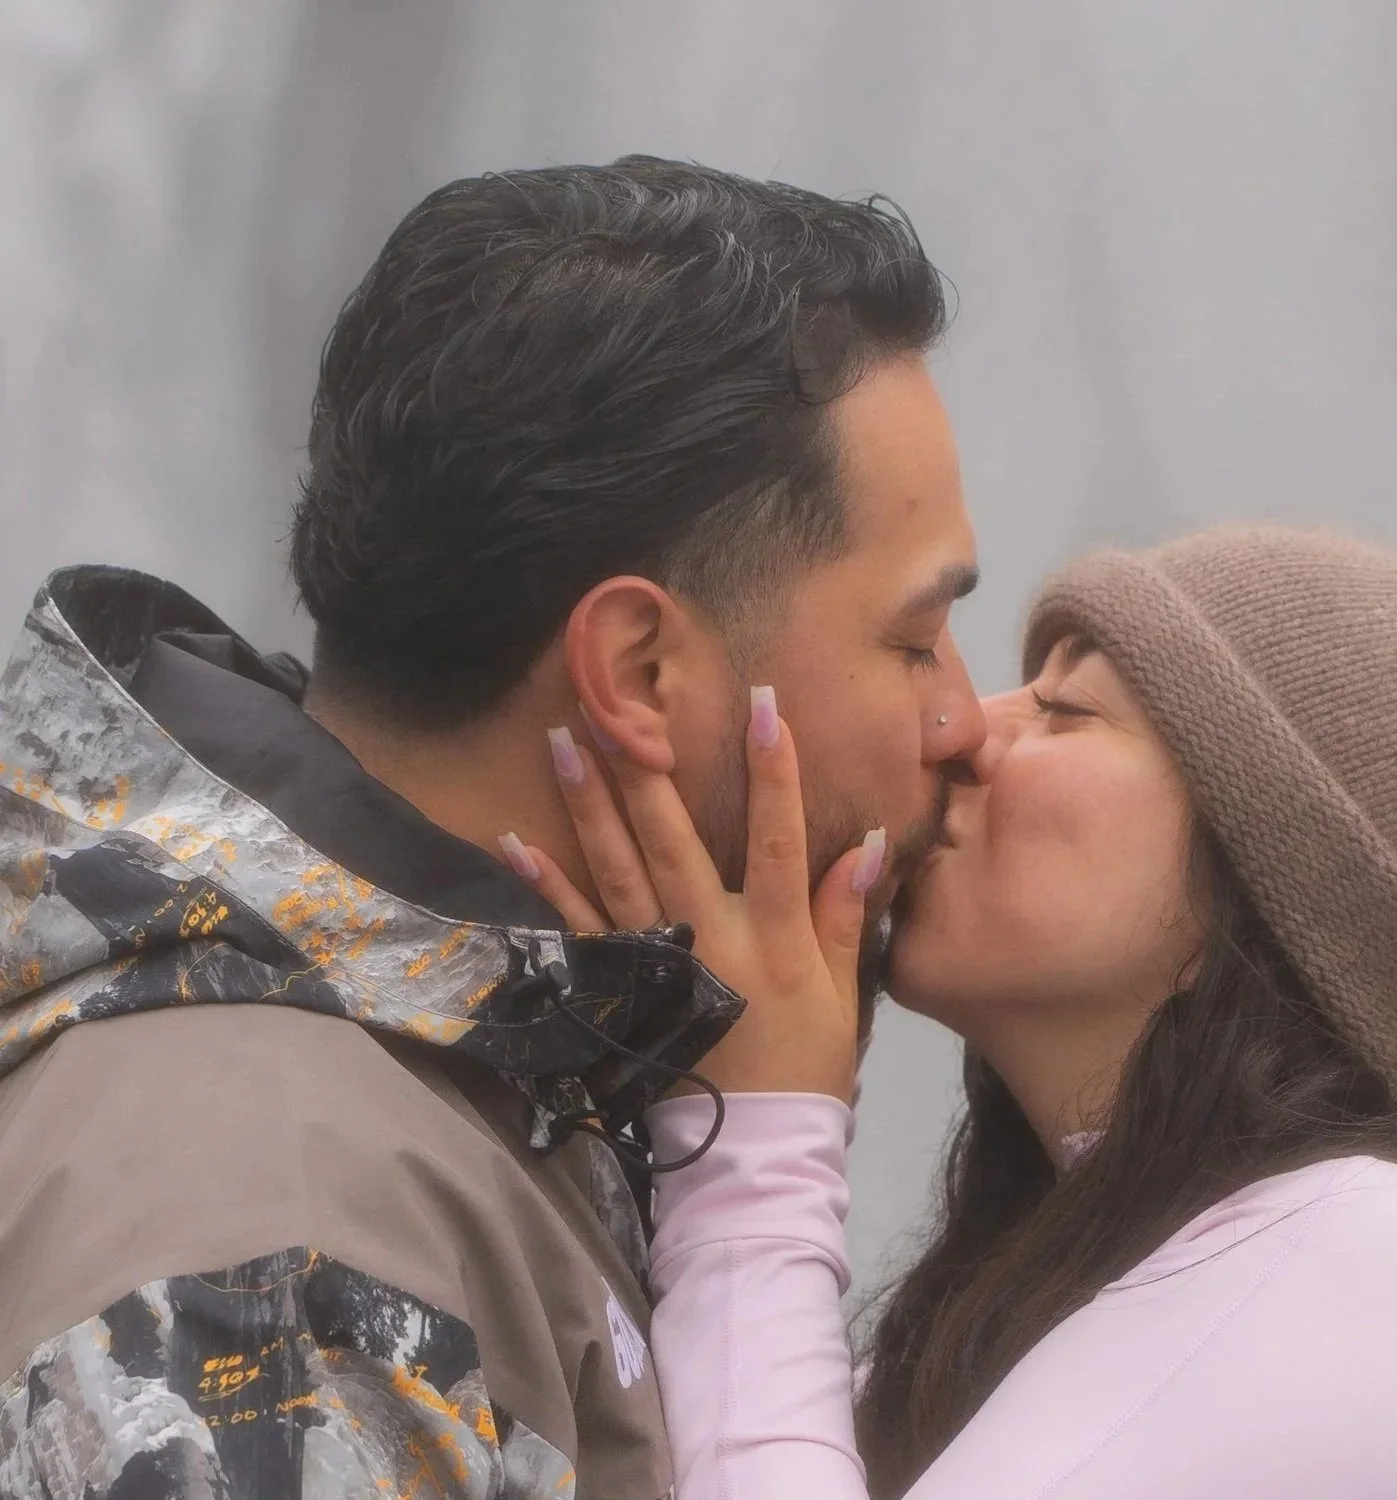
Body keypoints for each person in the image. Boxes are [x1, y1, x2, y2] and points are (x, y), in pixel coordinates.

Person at [0, 156, 984, 1498]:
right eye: (917, 639)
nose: (968, 722)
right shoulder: (278, 1246)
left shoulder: (472, 1075)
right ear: (638, 674)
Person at [523, 523, 1397, 1500]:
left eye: (1067, 708)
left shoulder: (1387, 1259)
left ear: (1272, 886)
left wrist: (756, 1153)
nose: (962, 728)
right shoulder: (1065, 1295)